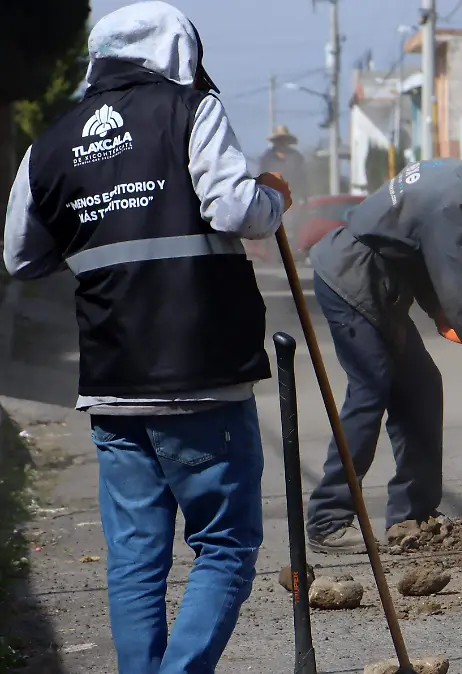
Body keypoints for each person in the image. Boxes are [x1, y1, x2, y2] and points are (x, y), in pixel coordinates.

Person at [3, 2, 292, 672]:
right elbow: (235, 207)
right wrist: (272, 198)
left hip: (113, 384)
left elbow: (20, 256)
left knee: (135, 559)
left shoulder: (53, 142)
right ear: (177, 49)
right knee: (223, 546)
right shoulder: (190, 110)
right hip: (202, 377)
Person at [304, 147, 462, 554]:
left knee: (420, 387)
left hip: (381, 283)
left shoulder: (455, 178)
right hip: (354, 280)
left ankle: (411, 517)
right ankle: (328, 519)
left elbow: (410, 241)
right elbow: (461, 295)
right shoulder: (456, 200)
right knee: (370, 391)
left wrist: (433, 307)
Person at [259, 125, 308, 204]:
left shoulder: (296, 156)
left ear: (287, 141)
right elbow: (261, 180)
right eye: (278, 140)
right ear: (274, 141)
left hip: (293, 199)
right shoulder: (267, 158)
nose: (281, 142)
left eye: (283, 139)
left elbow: (303, 178)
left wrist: (303, 197)